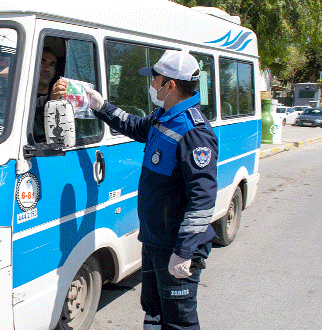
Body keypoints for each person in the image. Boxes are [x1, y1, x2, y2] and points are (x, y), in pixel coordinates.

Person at [85, 50, 218, 330]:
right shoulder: (164, 116)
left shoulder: (193, 132)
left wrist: (185, 251)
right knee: (154, 309)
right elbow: (134, 125)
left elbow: (203, 200)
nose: (153, 85)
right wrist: (101, 106)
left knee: (180, 320)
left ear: (170, 85)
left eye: (156, 79)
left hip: (175, 245)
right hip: (156, 239)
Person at [33, 47, 67, 142]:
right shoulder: (22, 96)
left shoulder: (62, 97)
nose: (47, 68)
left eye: (51, 64)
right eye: (42, 63)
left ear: (55, 71)